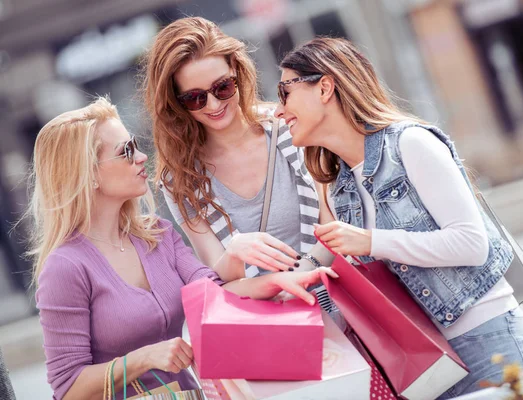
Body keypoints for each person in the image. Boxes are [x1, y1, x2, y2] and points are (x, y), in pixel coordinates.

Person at [274, 37, 523, 398]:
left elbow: (472, 243)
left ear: (325, 87)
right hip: (427, 368)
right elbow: (322, 258)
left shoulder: (410, 143)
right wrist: (277, 286)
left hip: (490, 347)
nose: (279, 111)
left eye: (284, 92)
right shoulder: (336, 186)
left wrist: (372, 242)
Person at [29, 98, 335, 400]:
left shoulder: (157, 234)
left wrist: (279, 281)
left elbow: (214, 294)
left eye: (135, 144)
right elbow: (67, 386)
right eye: (126, 151)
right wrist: (144, 358)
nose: (141, 157)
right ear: (89, 173)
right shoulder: (65, 267)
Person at [140, 17, 335, 285]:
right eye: (195, 98)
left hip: (334, 295)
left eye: (222, 87)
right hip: (268, 320)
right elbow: (219, 274)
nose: (213, 104)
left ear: (235, 70)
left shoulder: (289, 126)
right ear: (176, 102)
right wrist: (236, 254)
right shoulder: (180, 179)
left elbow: (334, 219)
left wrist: (305, 271)